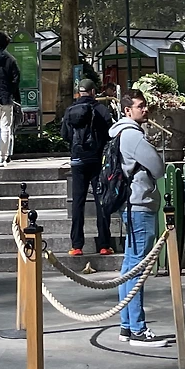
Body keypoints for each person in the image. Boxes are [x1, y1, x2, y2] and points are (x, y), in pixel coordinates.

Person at [109, 89, 171, 347]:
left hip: (129, 204)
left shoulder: (118, 133)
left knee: (129, 266)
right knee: (137, 267)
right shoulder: (133, 135)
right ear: (127, 110)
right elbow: (158, 168)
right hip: (140, 204)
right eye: (140, 106)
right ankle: (137, 329)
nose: (145, 109)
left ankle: (126, 326)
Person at [60, 81, 114, 257]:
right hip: (97, 161)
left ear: (79, 93)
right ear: (93, 92)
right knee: (101, 201)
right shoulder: (101, 110)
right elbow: (109, 134)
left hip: (77, 161)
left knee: (78, 202)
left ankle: (77, 245)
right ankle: (104, 245)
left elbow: (65, 135)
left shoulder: (70, 110)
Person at [0, 30, 21, 166]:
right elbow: (16, 79)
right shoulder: (11, 59)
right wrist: (11, 92)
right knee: (5, 127)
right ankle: (3, 157)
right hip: (6, 98)